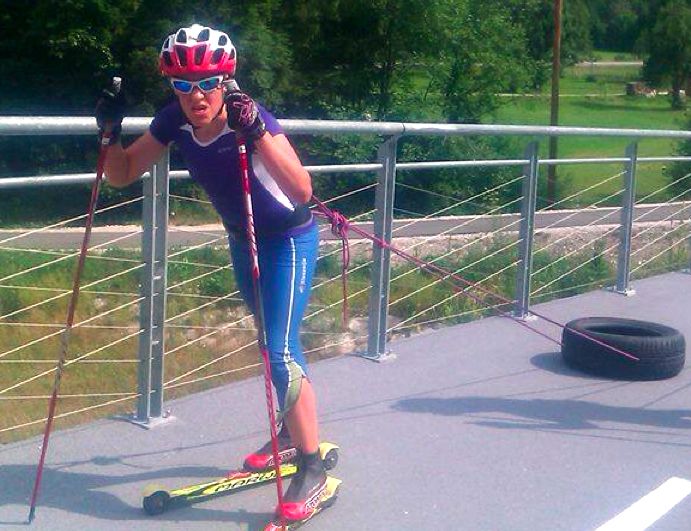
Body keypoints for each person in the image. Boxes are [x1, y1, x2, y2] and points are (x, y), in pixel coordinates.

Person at [95, 23, 326, 521]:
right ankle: (290, 434)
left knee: (280, 350)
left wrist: (257, 133)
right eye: (182, 84)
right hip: (244, 240)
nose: (196, 95)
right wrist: (110, 133)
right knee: (273, 341)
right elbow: (122, 173)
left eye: (207, 83)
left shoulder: (250, 117)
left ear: (225, 80)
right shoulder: (173, 121)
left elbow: (302, 190)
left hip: (288, 239)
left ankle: (311, 466)